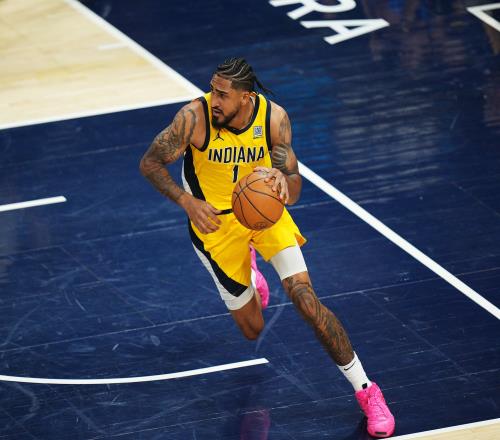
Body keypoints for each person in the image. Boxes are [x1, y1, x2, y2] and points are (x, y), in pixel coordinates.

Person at [139, 58, 395, 438]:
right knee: (252, 329)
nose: (214, 100)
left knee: (305, 299)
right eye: (212, 91)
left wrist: (283, 182)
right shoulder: (194, 118)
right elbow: (150, 162)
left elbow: (294, 187)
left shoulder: (274, 119)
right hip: (214, 224)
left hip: (265, 213)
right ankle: (251, 267)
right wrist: (186, 202)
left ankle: (367, 390)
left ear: (246, 97)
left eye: (223, 95)